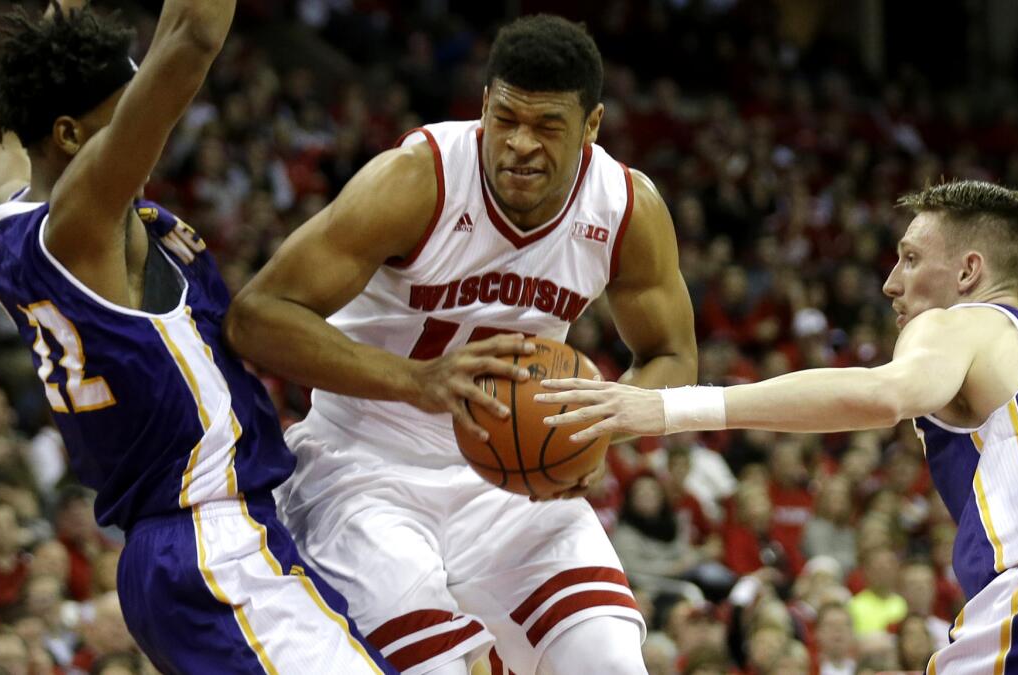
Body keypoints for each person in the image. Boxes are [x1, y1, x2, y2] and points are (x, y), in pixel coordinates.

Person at [225, 14, 698, 675]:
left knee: (610, 659)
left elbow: (673, 356)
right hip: (365, 467)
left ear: (592, 127)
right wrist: (416, 380)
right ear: (483, 105)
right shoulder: (417, 179)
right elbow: (256, 316)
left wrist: (600, 427)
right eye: (505, 118)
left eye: (547, 126)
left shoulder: (625, 208)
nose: (519, 144)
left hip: (514, 482)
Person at [540, 179, 1018, 672]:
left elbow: (885, 394)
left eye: (910, 258)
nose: (890, 284)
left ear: (968, 272)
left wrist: (670, 409)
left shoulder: (966, 322)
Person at [0, 2, 392, 673]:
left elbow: (3, 126)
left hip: (180, 551)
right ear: (71, 136)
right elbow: (192, 37)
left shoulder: (7, 219)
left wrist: (62, 20)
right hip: (210, 541)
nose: (148, 128)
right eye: (126, 109)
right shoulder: (84, 222)